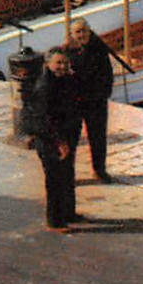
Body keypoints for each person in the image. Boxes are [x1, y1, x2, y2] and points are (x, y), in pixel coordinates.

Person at [29, 47, 83, 231]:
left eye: (65, 63)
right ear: (48, 64)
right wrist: (60, 143)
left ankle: (69, 213)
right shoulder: (45, 86)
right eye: (58, 63)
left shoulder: (66, 80)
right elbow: (44, 120)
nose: (62, 66)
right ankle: (55, 220)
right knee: (55, 180)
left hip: (67, 137)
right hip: (51, 141)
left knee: (67, 177)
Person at [67, 18, 115, 183]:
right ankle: (68, 174)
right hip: (75, 102)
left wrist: (103, 95)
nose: (81, 35)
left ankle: (99, 170)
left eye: (84, 31)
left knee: (98, 138)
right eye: (77, 32)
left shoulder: (99, 49)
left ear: (89, 31)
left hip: (95, 101)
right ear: (72, 35)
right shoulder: (67, 52)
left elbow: (108, 74)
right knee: (71, 139)